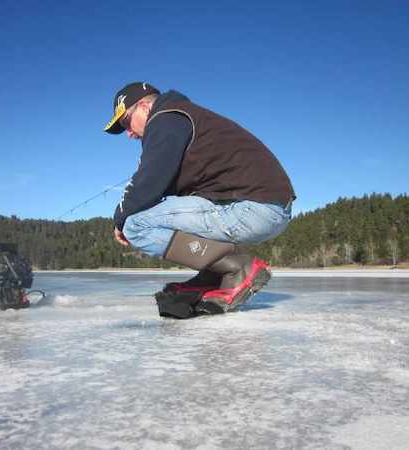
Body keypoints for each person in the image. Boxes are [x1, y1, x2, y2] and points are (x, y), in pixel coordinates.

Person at [104, 82, 295, 318]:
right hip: (262, 206)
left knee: (136, 225)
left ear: (144, 107)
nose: (129, 134)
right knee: (157, 212)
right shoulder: (180, 117)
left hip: (253, 208)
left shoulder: (166, 118)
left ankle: (236, 267)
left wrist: (120, 218)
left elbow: (149, 181)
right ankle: (214, 274)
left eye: (126, 122)